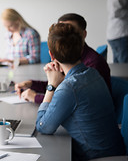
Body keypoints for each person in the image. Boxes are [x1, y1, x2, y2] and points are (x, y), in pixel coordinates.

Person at [36, 23, 125, 160]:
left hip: (95, 157)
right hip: (115, 151)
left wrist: (51, 85)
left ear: (51, 54)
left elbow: (43, 126)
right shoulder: (93, 74)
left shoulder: (69, 88)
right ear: (82, 48)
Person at [15, 13, 112, 103]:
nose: (65, 36)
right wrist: (32, 84)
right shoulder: (67, 58)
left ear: (83, 34)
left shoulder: (93, 63)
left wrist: (36, 97)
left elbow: (70, 99)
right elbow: (59, 84)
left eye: (71, 31)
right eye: (61, 31)